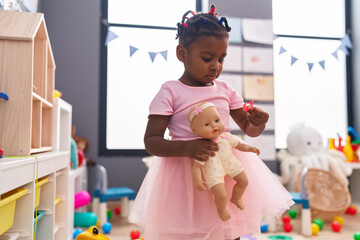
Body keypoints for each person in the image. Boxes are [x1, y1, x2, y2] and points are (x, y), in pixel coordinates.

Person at [129, 5, 294, 240]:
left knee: (229, 229)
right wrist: (186, 148)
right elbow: (151, 141)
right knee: (188, 233)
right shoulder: (170, 91)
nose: (216, 65)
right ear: (182, 53)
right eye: (207, 58)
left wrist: (259, 123)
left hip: (225, 172)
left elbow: (250, 130)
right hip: (184, 178)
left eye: (221, 58)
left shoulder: (226, 90)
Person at [189, 102, 260, 221]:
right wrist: (197, 180)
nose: (213, 125)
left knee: (243, 181)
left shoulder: (226, 136)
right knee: (221, 195)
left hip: (231, 165)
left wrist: (249, 148)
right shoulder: (202, 147)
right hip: (213, 173)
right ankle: (221, 209)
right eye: (206, 124)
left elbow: (239, 145)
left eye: (217, 120)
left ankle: (236, 198)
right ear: (195, 131)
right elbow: (196, 166)